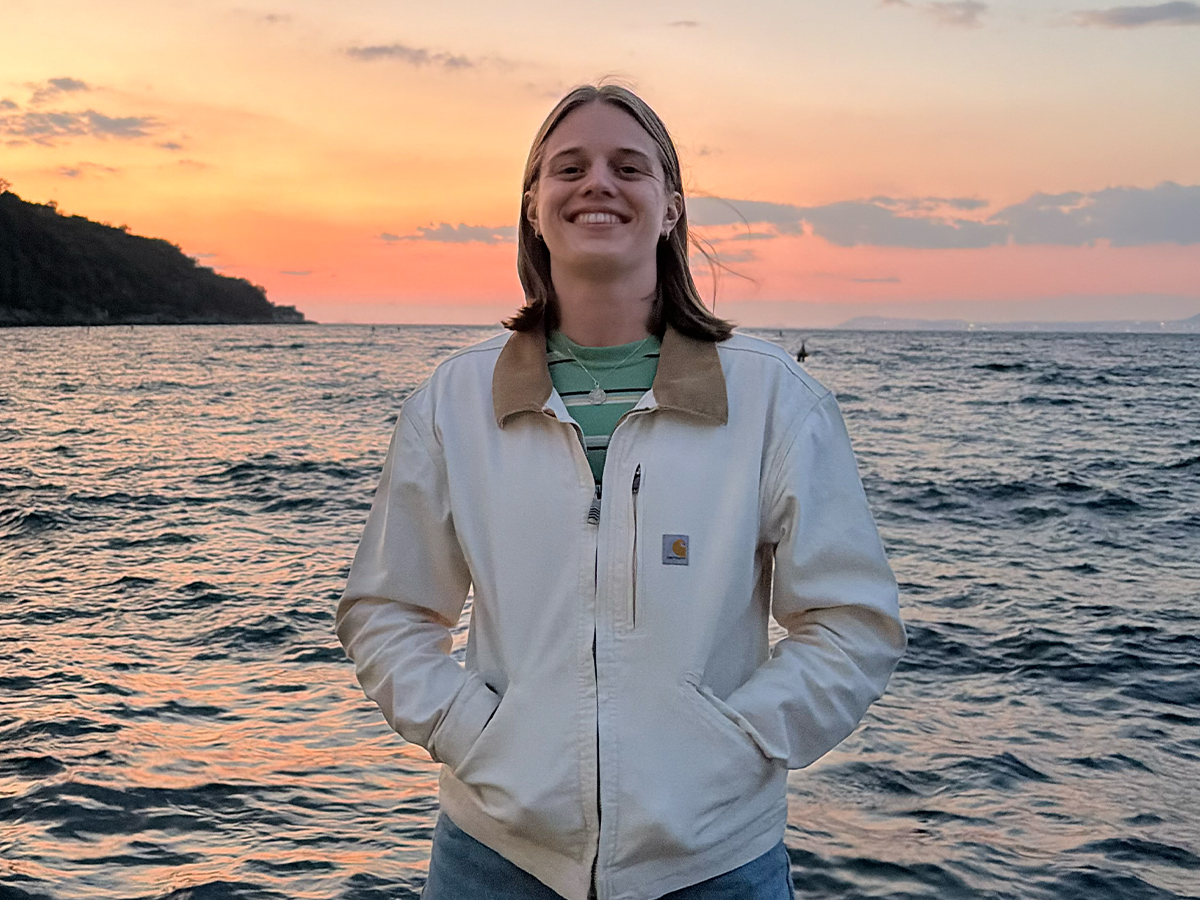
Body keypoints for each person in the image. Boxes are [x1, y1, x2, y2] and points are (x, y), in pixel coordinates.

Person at [336, 83, 906, 900]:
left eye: (628, 166)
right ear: (534, 205)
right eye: (569, 167)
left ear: (671, 206)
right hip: (495, 857)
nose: (597, 182)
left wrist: (737, 742)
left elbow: (852, 620)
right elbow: (386, 609)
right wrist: (474, 734)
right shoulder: (456, 401)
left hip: (714, 861)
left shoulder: (773, 398)